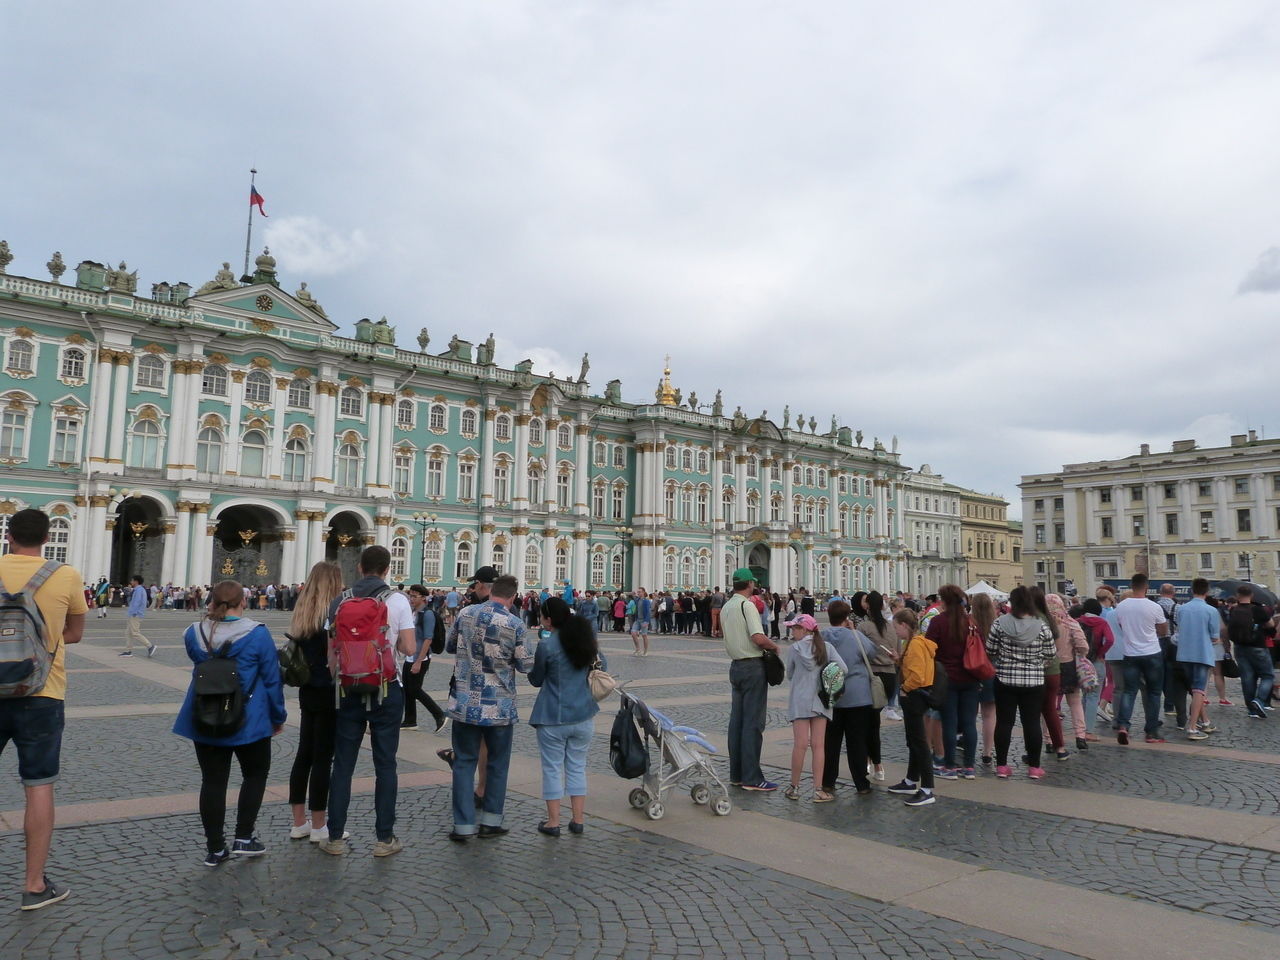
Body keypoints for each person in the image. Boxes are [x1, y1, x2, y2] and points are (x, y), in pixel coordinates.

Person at [0, 509, 87, 909]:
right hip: (43, 693)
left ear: (10, 535)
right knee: (39, 786)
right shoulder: (65, 575)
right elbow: (74, 634)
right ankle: (34, 884)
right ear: (46, 537)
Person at [173, 580, 286, 866]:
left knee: (212, 781)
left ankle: (215, 848)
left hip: (205, 714)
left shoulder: (193, 633)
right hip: (249, 716)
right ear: (243, 602)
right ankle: (244, 836)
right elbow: (272, 679)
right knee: (255, 774)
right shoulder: (258, 634)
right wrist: (278, 716)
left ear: (211, 601)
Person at [320, 546, 415, 857]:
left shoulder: (340, 601)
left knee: (343, 764)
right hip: (386, 689)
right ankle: (384, 839)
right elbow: (409, 646)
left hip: (348, 690)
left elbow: (331, 654)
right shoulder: (398, 600)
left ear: (359, 568)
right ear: (387, 570)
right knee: (385, 764)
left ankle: (334, 838)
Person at [446, 574, 534, 840]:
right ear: (513, 596)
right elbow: (526, 666)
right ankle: (491, 822)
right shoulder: (515, 624)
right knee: (497, 764)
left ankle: (462, 826)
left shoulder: (465, 613)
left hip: (465, 702)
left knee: (463, 763)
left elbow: (450, 646)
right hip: (499, 705)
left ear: (492, 590)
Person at [529, 596, 603, 836]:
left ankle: (553, 822)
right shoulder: (586, 640)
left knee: (552, 768)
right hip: (584, 715)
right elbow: (603, 668)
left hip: (553, 716)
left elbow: (537, 679)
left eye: (542, 616)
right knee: (577, 767)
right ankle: (578, 819)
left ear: (549, 620)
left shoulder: (547, 645)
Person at [285, 562, 345, 844]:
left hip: (306, 689)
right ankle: (320, 824)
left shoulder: (303, 611)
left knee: (304, 755)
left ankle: (299, 822)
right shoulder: (332, 613)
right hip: (328, 691)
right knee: (323, 758)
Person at [984, 586, 1056, 780]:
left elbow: (990, 649)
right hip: (1033, 680)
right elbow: (1051, 653)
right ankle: (1034, 767)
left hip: (1006, 679)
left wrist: (1004, 658)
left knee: (1005, 722)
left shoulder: (999, 623)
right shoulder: (1041, 626)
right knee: (1031, 722)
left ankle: (1002, 765)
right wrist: (1038, 663)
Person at [722, 567, 781, 792]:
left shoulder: (727, 606)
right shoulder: (747, 605)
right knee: (753, 723)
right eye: (753, 583)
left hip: (735, 667)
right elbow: (757, 637)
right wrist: (774, 646)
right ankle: (752, 778)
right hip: (752, 667)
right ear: (749, 584)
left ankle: (736, 774)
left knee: (736, 723)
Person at [820, 601, 878, 796]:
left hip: (832, 696)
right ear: (847, 618)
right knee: (857, 742)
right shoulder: (855, 636)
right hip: (858, 696)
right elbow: (872, 652)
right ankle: (861, 783)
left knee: (831, 742)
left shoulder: (821, 637)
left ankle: (828, 781)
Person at [783, 614, 844, 802]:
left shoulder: (794, 649)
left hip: (800, 701)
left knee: (799, 745)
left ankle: (794, 787)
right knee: (819, 746)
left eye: (795, 628)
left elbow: (790, 674)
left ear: (805, 630)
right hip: (821, 700)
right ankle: (818, 789)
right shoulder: (827, 648)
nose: (792, 631)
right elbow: (843, 669)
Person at [927, 584, 981, 780]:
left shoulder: (938, 622)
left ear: (945, 601)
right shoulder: (971, 622)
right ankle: (969, 766)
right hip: (971, 677)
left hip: (946, 679)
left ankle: (950, 766)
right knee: (969, 723)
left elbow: (928, 649)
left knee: (949, 723)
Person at [886, 608, 938, 806]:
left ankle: (927, 788)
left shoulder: (915, 644)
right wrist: (899, 660)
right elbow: (914, 668)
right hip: (916, 696)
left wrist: (905, 688)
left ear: (905, 625)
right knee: (913, 740)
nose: (895, 631)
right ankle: (910, 780)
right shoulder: (916, 643)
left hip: (915, 696)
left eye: (896, 627)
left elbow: (917, 676)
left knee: (919, 742)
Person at [1113, 573, 1169, 744]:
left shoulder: (1121, 606)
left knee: (1129, 691)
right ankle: (1151, 732)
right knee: (1153, 692)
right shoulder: (1154, 606)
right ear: (1146, 587)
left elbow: (1121, 626)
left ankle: (1123, 725)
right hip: (1152, 652)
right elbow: (1163, 631)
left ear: (1131, 586)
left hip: (1130, 653)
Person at [859, 591, 899, 781]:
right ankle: (874, 764)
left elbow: (859, 651)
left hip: (873, 676)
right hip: (890, 676)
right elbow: (897, 651)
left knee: (870, 723)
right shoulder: (891, 628)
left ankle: (875, 764)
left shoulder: (865, 626)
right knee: (872, 722)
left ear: (867, 606)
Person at [1176, 579, 1220, 740]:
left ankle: (1206, 721)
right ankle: (1193, 727)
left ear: (1192, 590)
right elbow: (1215, 637)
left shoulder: (1182, 609)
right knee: (1199, 690)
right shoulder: (1211, 610)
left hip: (1184, 654)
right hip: (1202, 653)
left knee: (1195, 690)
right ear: (1206, 591)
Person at [1046, 593, 1089, 752]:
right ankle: (1080, 736)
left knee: (1048, 705)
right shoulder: (1070, 623)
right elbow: (1083, 646)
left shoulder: (1042, 624)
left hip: (1048, 667)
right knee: (1075, 702)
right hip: (1069, 665)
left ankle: (1049, 740)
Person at [403, 585, 447, 733]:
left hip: (420, 658)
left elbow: (428, 639)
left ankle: (439, 714)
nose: (411, 599)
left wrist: (418, 662)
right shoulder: (414, 612)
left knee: (415, 689)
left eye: (415, 596)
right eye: (411, 596)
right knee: (407, 690)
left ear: (423, 597)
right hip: (410, 656)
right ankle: (410, 720)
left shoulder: (427, 614)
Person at [1227, 584, 1275, 719]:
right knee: (1268, 676)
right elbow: (1270, 625)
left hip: (1239, 647)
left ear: (1238, 595)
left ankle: (1252, 710)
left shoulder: (1234, 610)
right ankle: (1259, 700)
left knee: (1247, 678)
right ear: (1252, 595)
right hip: (1257, 646)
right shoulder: (1258, 610)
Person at [969, 593, 1000, 766]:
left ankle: (970, 749)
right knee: (989, 715)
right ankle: (987, 752)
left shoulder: (969, 624)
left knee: (970, 715)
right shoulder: (995, 625)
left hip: (972, 671)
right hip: (990, 672)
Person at [121, 574, 157, 658]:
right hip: (133, 613)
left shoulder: (139, 590)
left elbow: (137, 603)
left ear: (136, 581)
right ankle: (128, 651)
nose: (131, 582)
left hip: (135, 614)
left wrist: (133, 613)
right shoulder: (139, 590)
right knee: (128, 633)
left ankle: (150, 646)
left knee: (135, 633)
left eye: (132, 580)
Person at [630, 587, 652, 656]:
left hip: (644, 620)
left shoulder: (646, 601)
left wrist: (646, 621)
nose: (638, 593)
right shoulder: (637, 600)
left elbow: (648, 612)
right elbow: (634, 597)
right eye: (638, 592)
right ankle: (638, 649)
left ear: (643, 592)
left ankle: (645, 651)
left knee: (644, 635)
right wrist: (633, 594)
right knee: (633, 633)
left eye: (639, 592)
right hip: (637, 620)